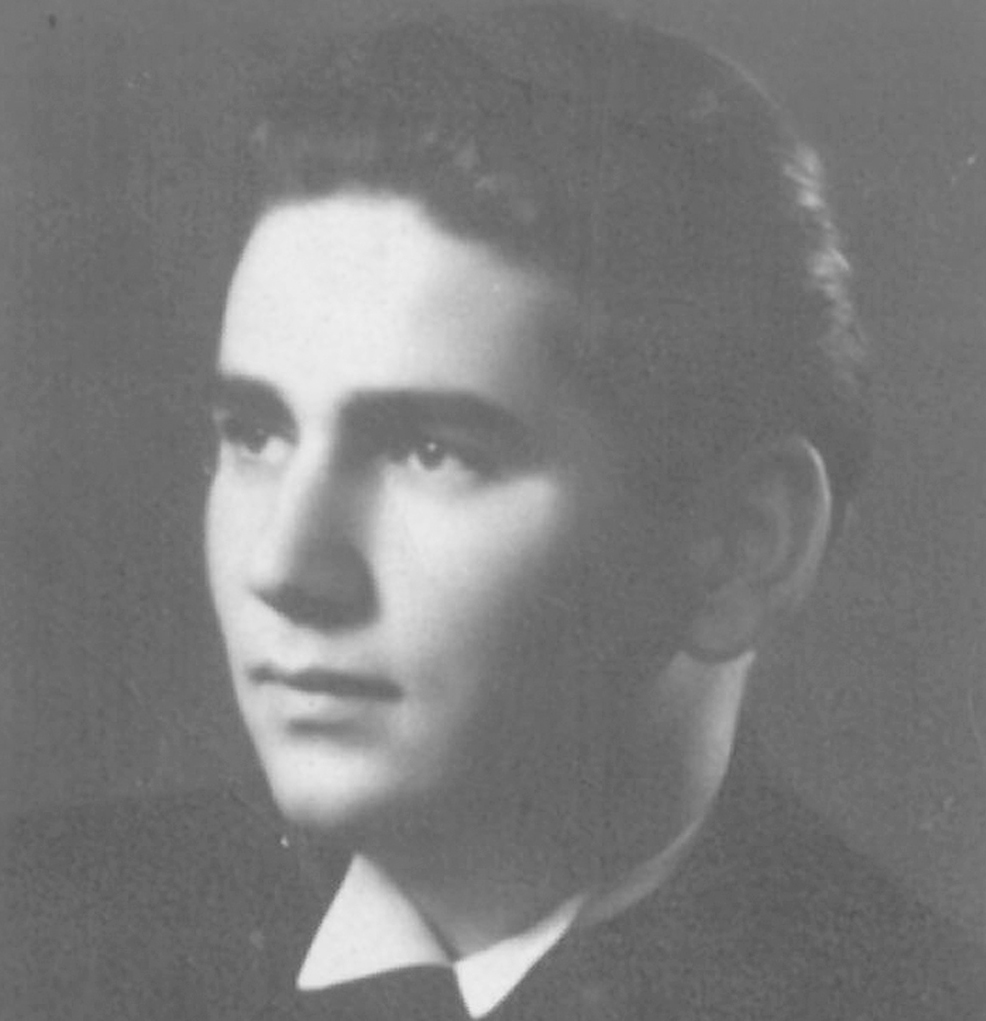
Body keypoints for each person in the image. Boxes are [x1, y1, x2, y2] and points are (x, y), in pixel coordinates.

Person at [7, 6, 983, 1020]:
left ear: (742, 548)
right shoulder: (32, 932)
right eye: (256, 434)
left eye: (433, 451)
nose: (284, 566)